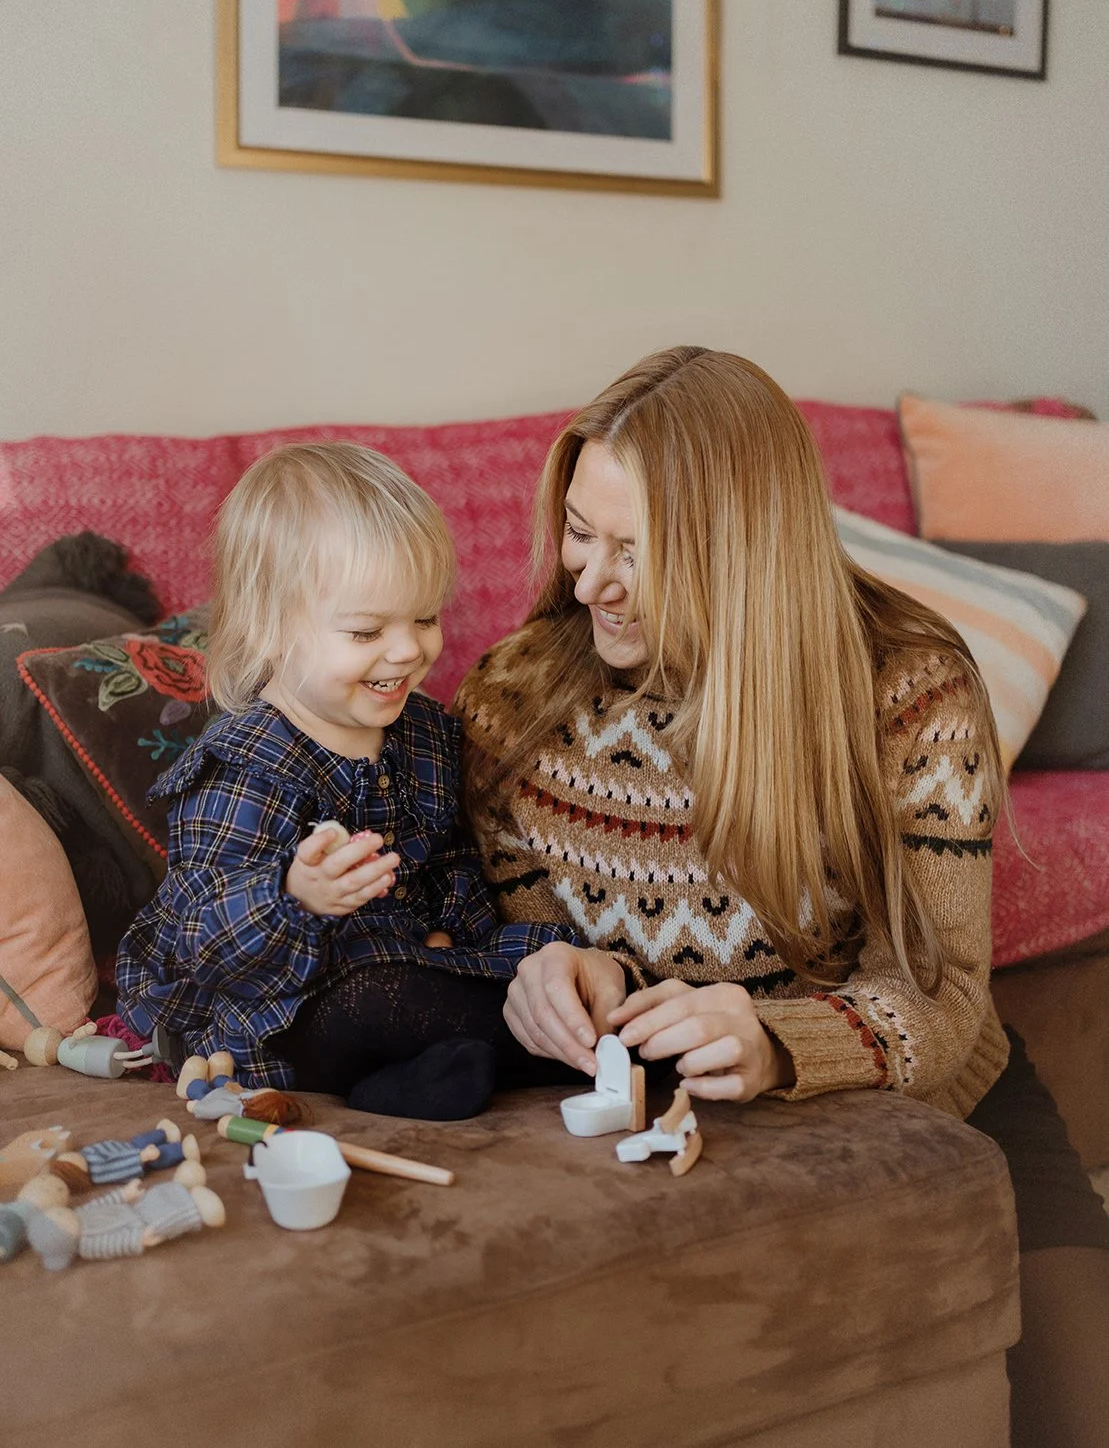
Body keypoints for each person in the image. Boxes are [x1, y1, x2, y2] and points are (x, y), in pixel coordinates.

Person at [454, 347, 1109, 1448]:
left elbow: (943, 995)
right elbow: (518, 937)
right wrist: (536, 976)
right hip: (676, 1147)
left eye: (632, 550)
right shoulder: (515, 702)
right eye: (577, 528)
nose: (586, 581)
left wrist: (777, 1038)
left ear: (737, 550)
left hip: (937, 1102)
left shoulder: (907, 685)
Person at [114, 443, 578, 1119]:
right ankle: (584, 1051)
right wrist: (294, 894)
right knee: (376, 1002)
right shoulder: (246, 765)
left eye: (424, 619)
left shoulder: (424, 733)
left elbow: (449, 856)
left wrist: (456, 929)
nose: (407, 650)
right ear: (270, 633)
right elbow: (201, 939)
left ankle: (414, 1081)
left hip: (408, 957)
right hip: (282, 1001)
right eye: (366, 632)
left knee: (552, 955)